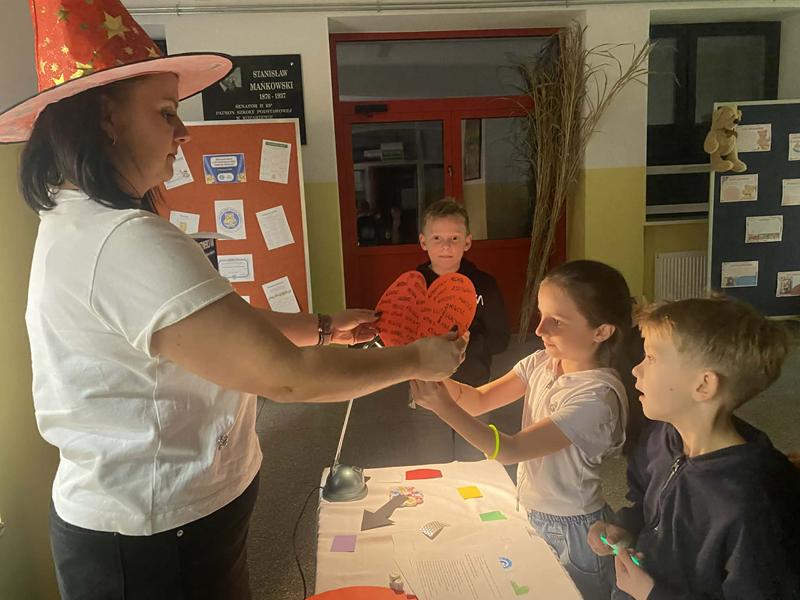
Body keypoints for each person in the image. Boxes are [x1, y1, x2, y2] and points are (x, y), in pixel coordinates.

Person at [2, 2, 466, 599]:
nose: (183, 132)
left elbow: (222, 324)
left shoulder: (80, 222)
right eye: (166, 113)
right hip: (152, 535)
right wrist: (416, 359)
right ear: (105, 119)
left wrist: (324, 326)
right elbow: (288, 378)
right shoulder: (122, 241)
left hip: (155, 516)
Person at [412, 260, 636, 599]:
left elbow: (511, 450)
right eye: (541, 315)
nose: (539, 329)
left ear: (601, 332)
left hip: (574, 530)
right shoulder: (541, 362)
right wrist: (435, 372)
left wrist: (442, 407)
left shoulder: (596, 398)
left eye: (556, 321)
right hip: (532, 511)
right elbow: (478, 400)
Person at [588, 296, 800, 599]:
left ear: (703, 386)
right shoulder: (661, 436)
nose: (636, 370)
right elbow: (646, 504)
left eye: (651, 358)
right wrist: (624, 528)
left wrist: (651, 593)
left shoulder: (750, 503)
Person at [417, 199, 509, 387]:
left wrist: (470, 345)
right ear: (423, 242)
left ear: (467, 242)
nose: (446, 246)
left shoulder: (485, 284)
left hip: (474, 382)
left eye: (454, 238)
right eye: (437, 238)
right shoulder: (413, 286)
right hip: (426, 383)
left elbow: (500, 338)